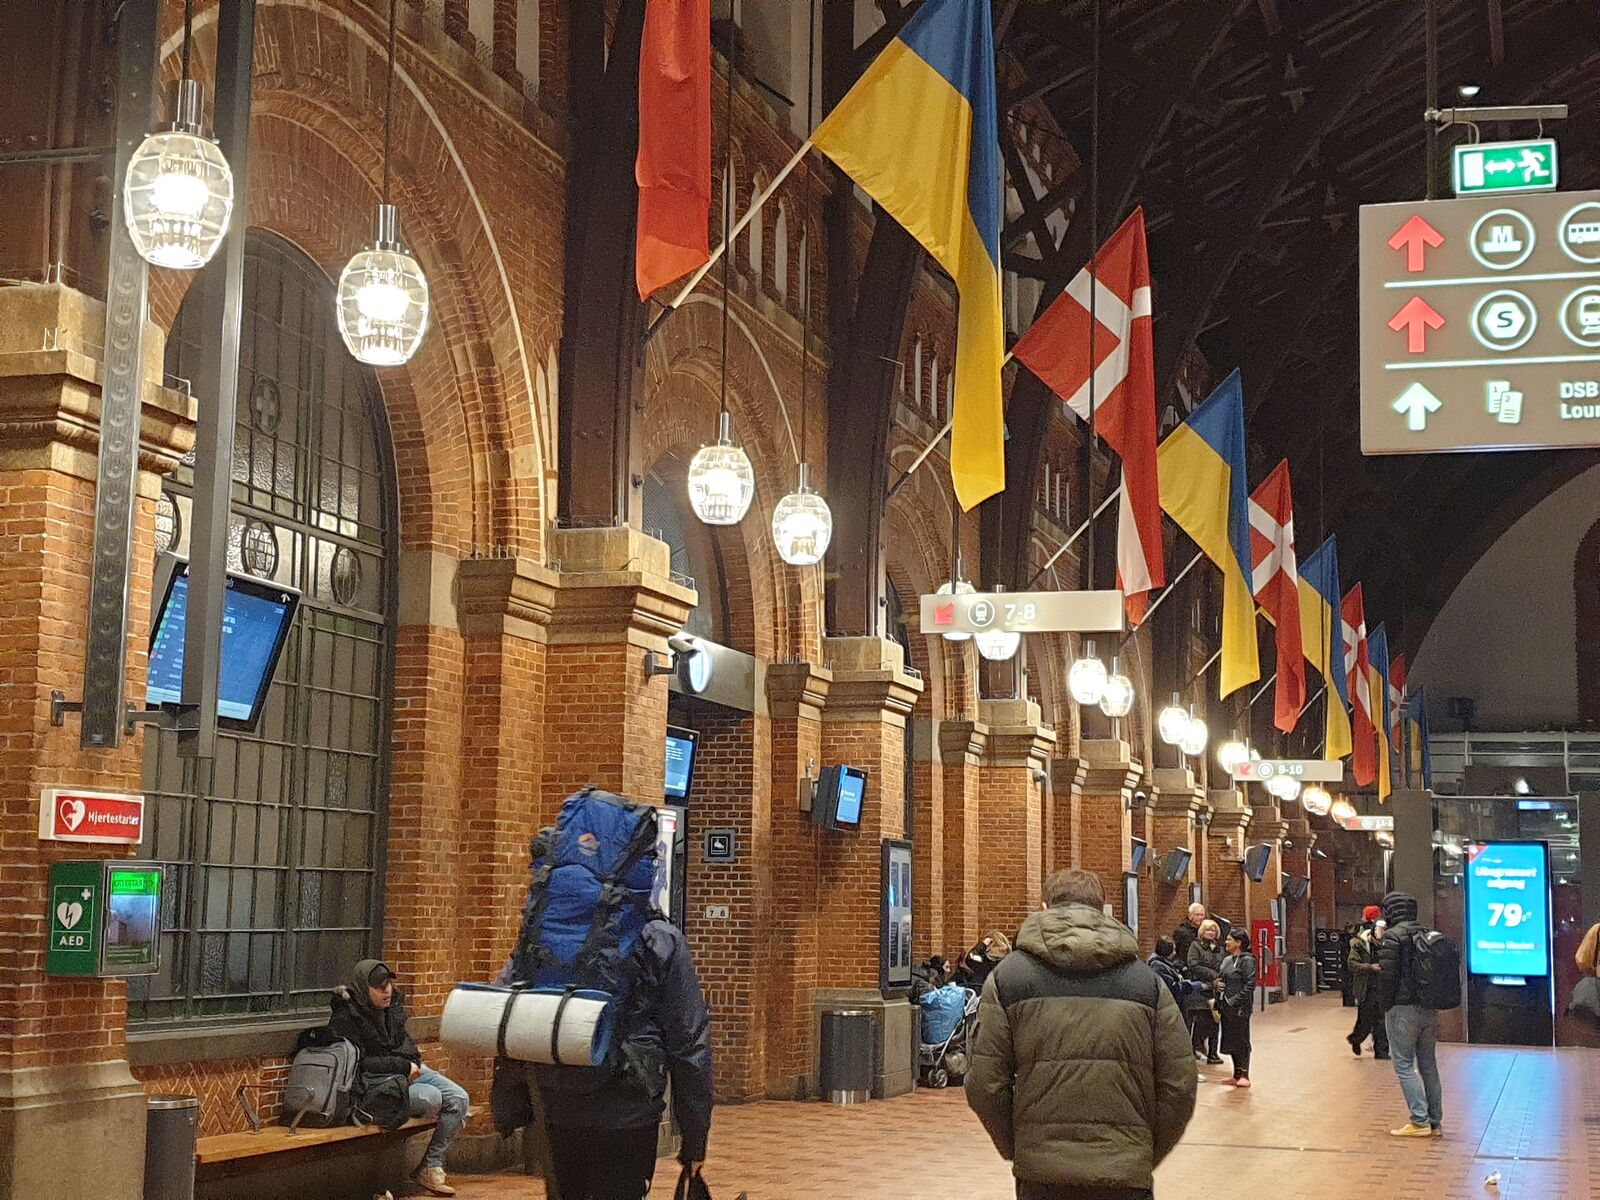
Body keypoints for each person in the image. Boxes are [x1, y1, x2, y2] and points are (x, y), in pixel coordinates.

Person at [966, 868, 1197, 1200]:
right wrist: (1140, 1151)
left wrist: (1021, 1146)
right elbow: (1180, 1084)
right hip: (1124, 1173)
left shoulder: (1008, 978)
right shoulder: (1145, 983)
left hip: (1042, 1176)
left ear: (1045, 907)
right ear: (1102, 909)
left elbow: (984, 1083)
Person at [515, 917, 715, 1199]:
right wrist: (695, 1139)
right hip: (628, 1113)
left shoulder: (552, 927)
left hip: (556, 1106)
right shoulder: (660, 939)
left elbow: (515, 1007)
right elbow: (689, 1044)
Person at [330, 960, 469, 1197]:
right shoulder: (348, 1018)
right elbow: (360, 1066)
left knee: (459, 1097)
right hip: (374, 1088)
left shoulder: (392, 1011)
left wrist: (409, 1065)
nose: (387, 990)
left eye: (388, 984)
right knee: (432, 1098)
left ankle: (431, 1165)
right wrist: (403, 1066)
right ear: (365, 988)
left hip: (406, 1074)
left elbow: (410, 1049)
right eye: (379, 986)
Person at [1376, 891, 1444, 1138]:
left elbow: (1388, 975)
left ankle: (1419, 1121)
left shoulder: (1393, 936)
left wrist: (1385, 1006)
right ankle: (1435, 1120)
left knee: (1403, 1064)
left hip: (1402, 1008)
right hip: (1429, 1008)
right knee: (1428, 1065)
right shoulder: (1425, 933)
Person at [1346, 907, 1390, 1059]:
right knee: (1365, 1021)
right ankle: (1355, 1039)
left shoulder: (1387, 941)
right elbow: (1351, 963)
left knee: (1381, 1021)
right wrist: (1370, 967)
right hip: (1367, 988)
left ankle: (1381, 1051)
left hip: (1382, 987)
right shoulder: (1359, 942)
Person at [1216, 928, 1257, 1088]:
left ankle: (1245, 1074)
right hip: (1225, 1006)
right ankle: (1236, 1074)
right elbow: (1221, 978)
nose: (1226, 942)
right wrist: (1216, 985)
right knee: (1230, 1039)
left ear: (1239, 943)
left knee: (1241, 1040)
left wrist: (1234, 1000)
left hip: (1240, 1008)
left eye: (1229, 939)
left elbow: (1250, 985)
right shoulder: (1227, 960)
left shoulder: (1247, 960)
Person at [1185, 919, 1225, 1065]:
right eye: (1208, 930)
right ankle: (1196, 1046)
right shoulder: (1195, 946)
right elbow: (1193, 965)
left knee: (1215, 1022)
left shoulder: (1219, 948)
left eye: (1213, 930)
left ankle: (1213, 1054)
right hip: (1201, 990)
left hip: (1216, 991)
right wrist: (1213, 976)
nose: (1211, 932)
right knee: (1201, 1021)